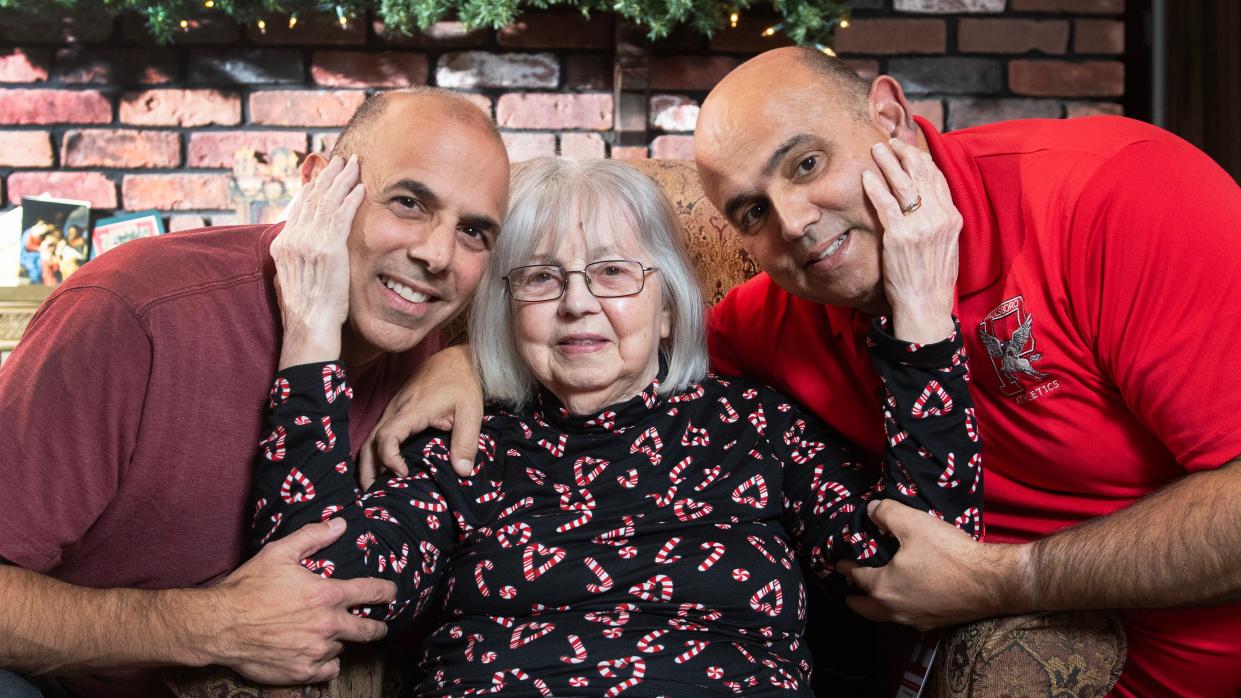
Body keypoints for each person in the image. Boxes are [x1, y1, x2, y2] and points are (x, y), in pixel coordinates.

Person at [370, 49, 1241, 696]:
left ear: (892, 120)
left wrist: (1016, 576)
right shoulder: (772, 322)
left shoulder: (1114, 195)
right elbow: (607, 350)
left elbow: (914, 544)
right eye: (751, 209)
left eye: (807, 162)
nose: (791, 221)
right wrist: (460, 358)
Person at [253, 156, 981, 695]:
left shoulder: (754, 426)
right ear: (506, 310)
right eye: (539, 277)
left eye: (612, 272)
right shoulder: (467, 448)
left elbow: (919, 563)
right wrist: (312, 330)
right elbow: (316, 585)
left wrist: (919, 322)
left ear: (667, 307)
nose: (576, 304)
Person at [0, 88, 510, 697]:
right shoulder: (134, 313)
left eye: (474, 232)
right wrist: (215, 625)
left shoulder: (433, 351)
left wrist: (469, 360)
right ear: (320, 184)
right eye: (407, 202)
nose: (435, 254)